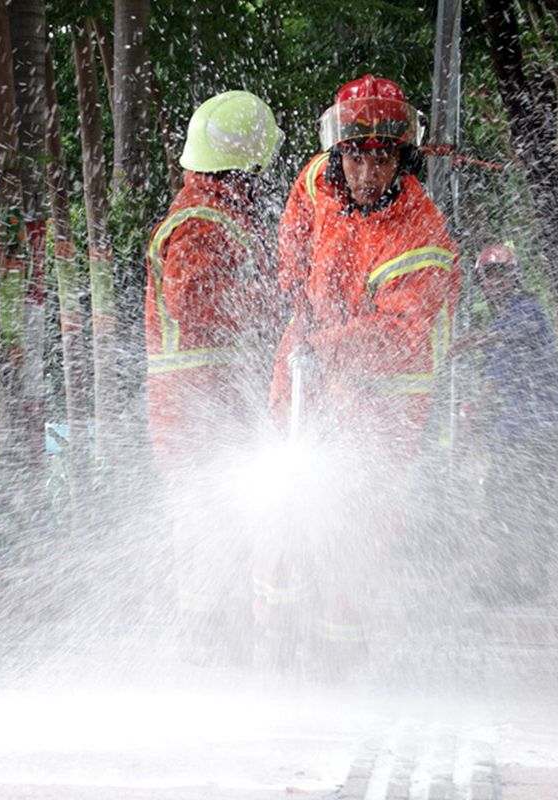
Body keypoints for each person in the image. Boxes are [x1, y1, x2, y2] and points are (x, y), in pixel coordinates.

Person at [258, 74, 461, 676]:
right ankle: (274, 639)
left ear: (402, 157)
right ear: (337, 152)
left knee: (355, 533)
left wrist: (325, 349)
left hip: (382, 404)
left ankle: (337, 659)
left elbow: (401, 336)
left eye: (381, 161)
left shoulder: (421, 234)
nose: (366, 176)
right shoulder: (317, 180)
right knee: (282, 507)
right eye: (355, 159)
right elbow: (296, 227)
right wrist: (293, 287)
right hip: (309, 369)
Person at [144, 89, 283, 662]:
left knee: (219, 529)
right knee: (206, 533)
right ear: (242, 169)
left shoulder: (216, 213)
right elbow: (197, 307)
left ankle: (217, 636)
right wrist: (273, 303)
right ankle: (207, 644)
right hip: (199, 413)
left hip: (207, 409)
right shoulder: (202, 224)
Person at [450, 243, 558, 604]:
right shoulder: (499, 323)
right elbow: (493, 377)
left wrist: (469, 341)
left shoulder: (528, 312)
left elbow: (503, 335)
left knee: (528, 497)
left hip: (543, 424)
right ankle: (509, 577)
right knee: (501, 498)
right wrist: (475, 417)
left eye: (501, 274)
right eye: (488, 277)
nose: (495, 283)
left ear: (515, 277)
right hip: (515, 425)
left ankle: (528, 578)